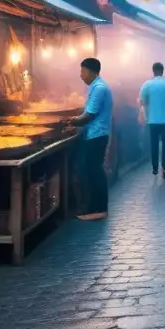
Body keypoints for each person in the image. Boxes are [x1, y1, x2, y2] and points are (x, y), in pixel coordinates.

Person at [67, 58, 113, 221]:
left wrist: (70, 120)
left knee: (94, 171)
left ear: (92, 72)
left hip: (97, 134)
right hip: (94, 133)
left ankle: (99, 209)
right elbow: (88, 111)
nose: (81, 75)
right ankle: (94, 207)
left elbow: (89, 115)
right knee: (92, 170)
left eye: (83, 71)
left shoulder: (99, 88)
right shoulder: (95, 87)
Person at [140, 62, 165, 178]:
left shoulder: (147, 85)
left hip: (153, 120)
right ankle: (164, 168)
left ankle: (155, 167)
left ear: (153, 71)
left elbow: (142, 101)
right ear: (162, 71)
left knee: (154, 144)